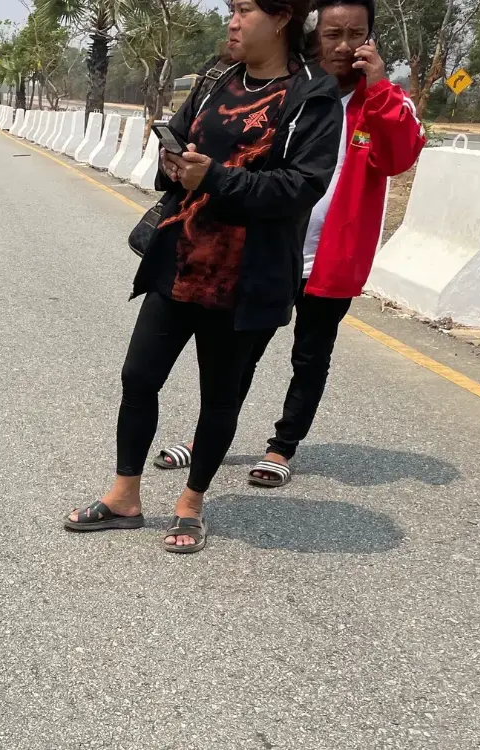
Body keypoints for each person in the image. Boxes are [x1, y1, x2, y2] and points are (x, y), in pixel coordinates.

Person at [63, 0, 343, 554]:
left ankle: (191, 505)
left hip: (245, 277)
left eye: (244, 11)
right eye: (231, 10)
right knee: (138, 377)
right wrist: (174, 160)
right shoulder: (218, 79)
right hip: (181, 260)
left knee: (219, 397)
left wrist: (214, 176)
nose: (232, 22)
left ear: (282, 17)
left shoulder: (313, 95)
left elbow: (300, 188)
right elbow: (187, 137)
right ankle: (125, 495)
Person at [152, 0, 426, 488]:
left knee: (311, 355)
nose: (343, 46)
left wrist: (380, 86)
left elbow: (402, 154)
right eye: (333, 33)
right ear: (312, 32)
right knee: (239, 352)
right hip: (269, 250)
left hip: (331, 257)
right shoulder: (295, 89)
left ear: (370, 39)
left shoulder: (382, 100)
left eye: (355, 34)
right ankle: (207, 437)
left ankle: (282, 446)